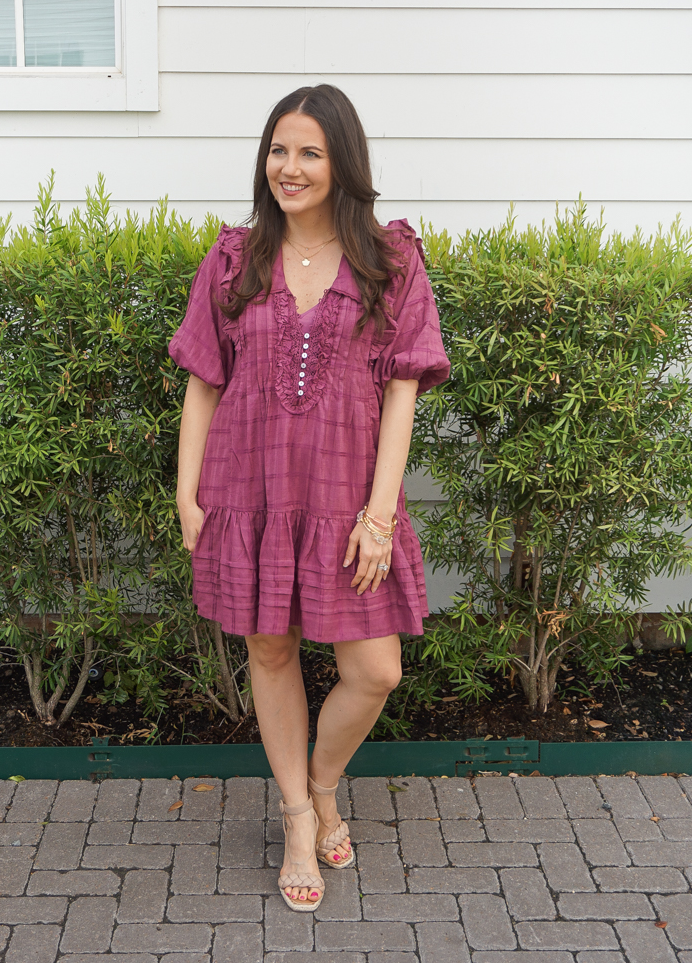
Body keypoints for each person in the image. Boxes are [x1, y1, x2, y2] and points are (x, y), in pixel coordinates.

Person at [169, 84, 450, 913]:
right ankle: (298, 816)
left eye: (310, 153)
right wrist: (188, 496)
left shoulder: (391, 262)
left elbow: (403, 392)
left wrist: (379, 513)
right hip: (247, 494)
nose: (289, 168)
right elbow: (201, 383)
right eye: (279, 150)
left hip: (346, 497)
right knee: (272, 651)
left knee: (376, 669)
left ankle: (323, 783)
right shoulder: (233, 260)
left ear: (343, 164)